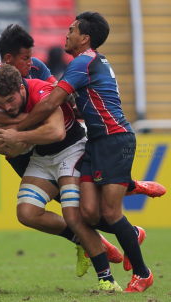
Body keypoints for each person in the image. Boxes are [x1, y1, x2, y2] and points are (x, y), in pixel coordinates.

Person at [10, 12, 159, 292]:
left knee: (110, 213)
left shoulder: (83, 62)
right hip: (96, 142)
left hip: (116, 140)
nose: (67, 34)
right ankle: (131, 213)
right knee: (88, 213)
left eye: (71, 30)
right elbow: (81, 105)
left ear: (84, 38)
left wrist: (18, 132)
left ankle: (143, 273)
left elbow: (50, 103)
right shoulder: (91, 62)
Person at [0, 64, 123, 292]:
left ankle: (107, 280)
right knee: (27, 213)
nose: (7, 107)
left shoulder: (43, 92)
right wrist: (14, 144)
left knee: (74, 216)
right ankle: (83, 241)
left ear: (21, 88)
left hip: (71, 150)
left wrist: (18, 135)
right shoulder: (3, 106)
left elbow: (57, 132)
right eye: (1, 102)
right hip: (43, 157)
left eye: (10, 99)